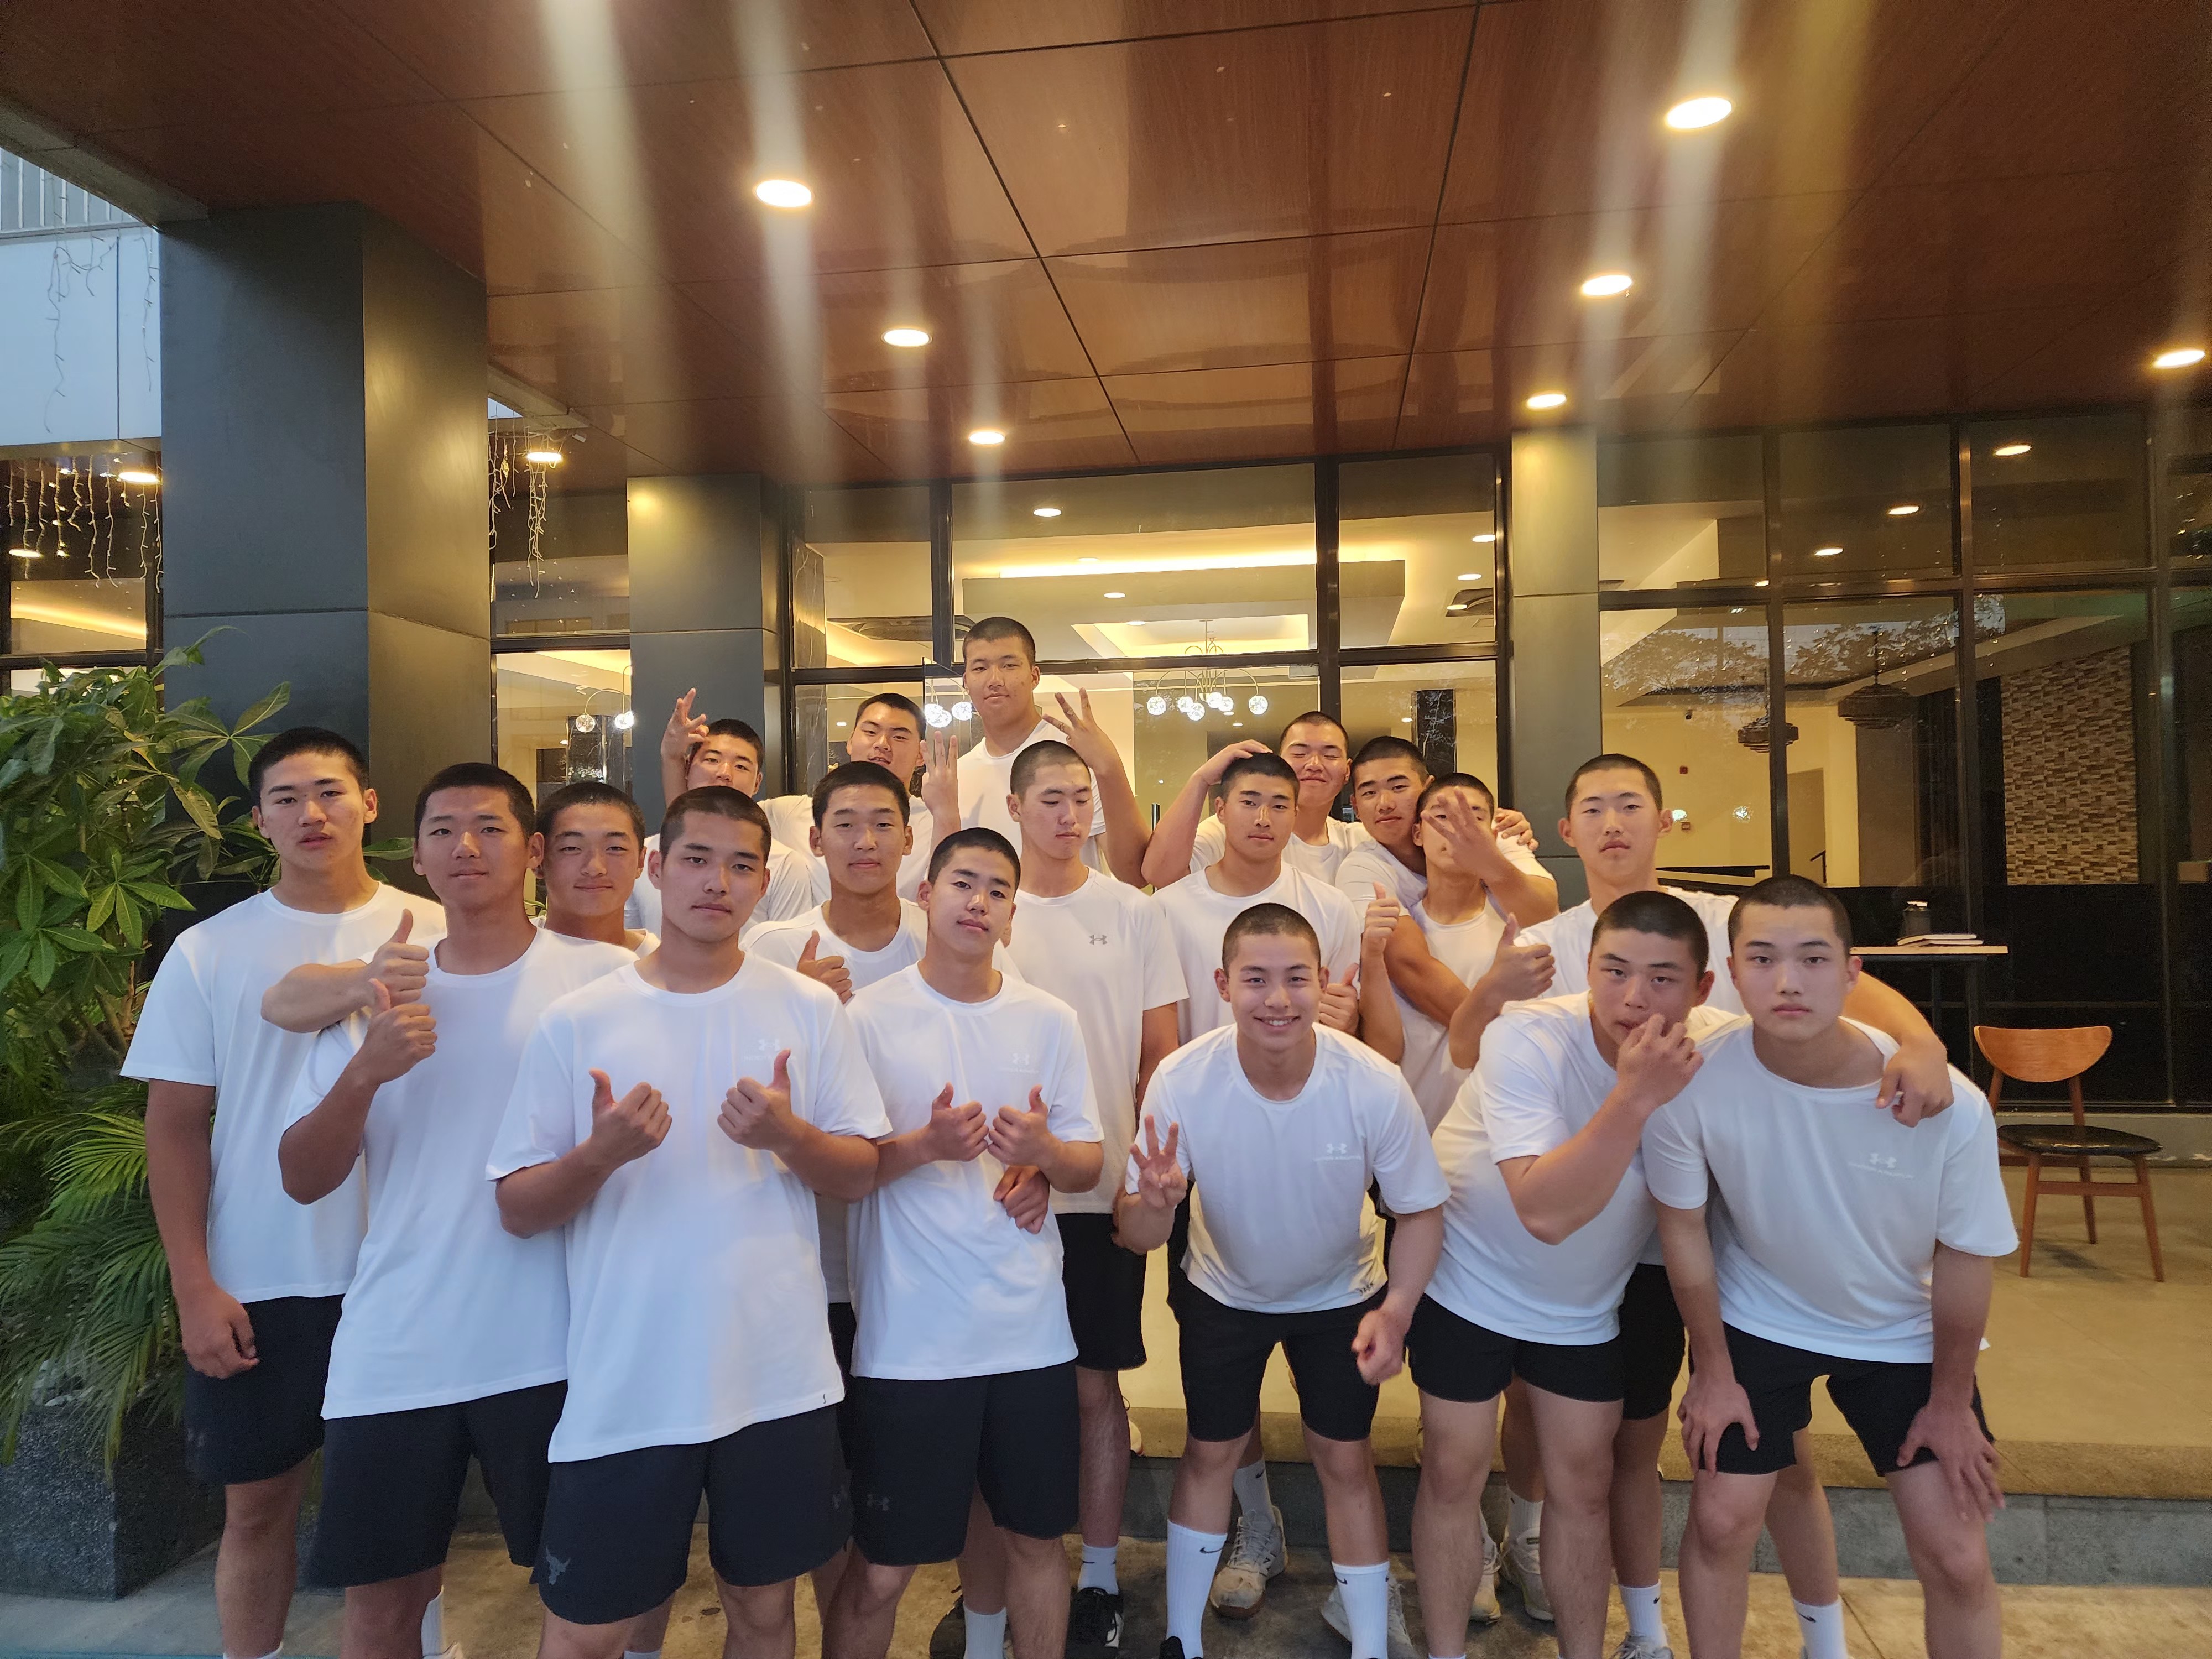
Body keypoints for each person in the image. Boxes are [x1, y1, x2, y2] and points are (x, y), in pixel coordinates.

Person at [1443, 754, 1955, 1652]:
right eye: (1593, 809)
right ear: (1566, 832)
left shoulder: (1724, 922)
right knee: (1606, 1442)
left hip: (1712, 1229)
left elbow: (1848, 992)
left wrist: (1920, 1041)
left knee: (1775, 1450)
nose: (1613, 824)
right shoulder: (1546, 942)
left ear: (1662, 819)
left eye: (1629, 805)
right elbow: (1471, 1049)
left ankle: (1822, 1636)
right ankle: (1616, 1609)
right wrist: (1491, 990)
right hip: (1599, 1235)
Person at [488, 786, 889, 1659]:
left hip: (776, 1374)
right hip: (628, 1378)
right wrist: (599, 1155)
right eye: (698, 860)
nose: (719, 882)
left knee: (763, 1611)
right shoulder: (579, 1020)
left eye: (742, 865)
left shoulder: (808, 1009)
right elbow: (516, 1208)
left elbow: (860, 1175)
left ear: (764, 882)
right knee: (588, 1628)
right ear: (658, 869)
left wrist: (788, 1136)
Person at [275, 764, 632, 1659]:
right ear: (419, 857)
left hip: (560, 1342)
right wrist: (366, 1071)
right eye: (442, 831)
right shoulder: (375, 992)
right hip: (399, 1343)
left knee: (586, 1610)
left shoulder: (606, 981)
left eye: (490, 828)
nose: (466, 847)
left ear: (534, 851)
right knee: (380, 1612)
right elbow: (303, 1177)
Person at [127, 728, 448, 1659]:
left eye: (331, 792)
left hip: (412, 1272)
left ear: (370, 805)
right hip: (264, 1274)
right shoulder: (208, 950)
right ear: (259, 820)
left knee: (411, 1513)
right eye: (286, 798)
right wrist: (195, 1284)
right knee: (258, 1507)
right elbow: (174, 1126)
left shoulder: (439, 929)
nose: (312, 813)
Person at [1645, 876, 2015, 1659]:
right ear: (1731, 975)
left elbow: (1966, 1256)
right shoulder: (1694, 1083)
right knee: (1720, 1522)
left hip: (1901, 1332)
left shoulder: (1946, 1103)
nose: (1787, 981)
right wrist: (1712, 1372)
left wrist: (1951, 1401)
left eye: (1813, 959)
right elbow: (1683, 1230)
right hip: (1759, 1319)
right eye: (1762, 959)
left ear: (1852, 974)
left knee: (1956, 1554)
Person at [1408, 892, 1744, 1659]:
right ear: (1586, 969)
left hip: (1583, 1306)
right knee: (1453, 1471)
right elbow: (1545, 1211)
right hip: (1466, 1281)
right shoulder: (1528, 1035)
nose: (1634, 998)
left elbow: (1828, 1024)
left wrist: (1920, 1050)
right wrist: (1634, 1094)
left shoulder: (1718, 1049)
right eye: (1614, 971)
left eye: (1662, 979)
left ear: (1702, 988)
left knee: (1586, 1486)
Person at [1116, 905, 1448, 1659]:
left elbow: (1421, 1211)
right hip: (1223, 1292)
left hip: (1341, 1296)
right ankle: (1180, 1641)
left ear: (1323, 981)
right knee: (1209, 1452)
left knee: (1345, 1458)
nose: (1277, 999)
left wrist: (1396, 1311)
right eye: (1255, 979)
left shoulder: (1370, 1081)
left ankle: (1369, 1643)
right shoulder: (1183, 1078)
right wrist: (1155, 1203)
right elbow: (1138, 1235)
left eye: (1297, 979)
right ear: (1222, 984)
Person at [828, 827, 1104, 1659]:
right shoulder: (866, 1019)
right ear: (926, 894)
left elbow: (1089, 1161)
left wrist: (1044, 1155)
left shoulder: (1049, 1020)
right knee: (883, 1569)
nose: (979, 902)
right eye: (962, 883)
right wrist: (925, 1145)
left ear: (1013, 915)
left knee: (1036, 1544)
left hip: (1029, 1334)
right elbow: (838, 1175)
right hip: (910, 1343)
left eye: (997, 890)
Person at [1146, 749, 1396, 1623]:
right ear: (1221, 808)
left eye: (1279, 803)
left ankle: (1365, 1600)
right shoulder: (1172, 907)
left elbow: (1352, 1024)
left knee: (1340, 1430)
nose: (1263, 816)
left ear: (1300, 812)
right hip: (1204, 1149)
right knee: (1224, 1388)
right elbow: (1164, 1034)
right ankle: (1256, 1526)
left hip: (1314, 1148)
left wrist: (1338, 1020)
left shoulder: (1328, 906)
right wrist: (1162, 1162)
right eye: (1247, 800)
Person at [998, 741, 1186, 1659]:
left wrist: (1139, 1177)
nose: (1070, 815)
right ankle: (1000, 1584)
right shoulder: (986, 906)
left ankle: (1101, 1577)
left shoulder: (1133, 911)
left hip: (1100, 1189)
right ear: (1014, 806)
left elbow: (1161, 1056)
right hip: (999, 1197)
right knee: (1003, 1394)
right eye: (1051, 799)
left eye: (1082, 798)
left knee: (1092, 1388)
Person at [918, 617, 1149, 886]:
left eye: (1009, 665)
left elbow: (1135, 874)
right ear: (966, 681)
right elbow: (944, 886)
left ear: (1034, 676)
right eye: (980, 668)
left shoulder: (1074, 757)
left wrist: (1109, 768)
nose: (995, 680)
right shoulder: (957, 777)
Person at [666, 690, 938, 902]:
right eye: (870, 732)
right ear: (850, 742)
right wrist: (672, 757)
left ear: (920, 755)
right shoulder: (790, 813)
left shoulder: (935, 822)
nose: (882, 744)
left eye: (899, 737)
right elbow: (703, 825)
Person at [1334, 737, 1554, 925]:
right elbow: (1406, 957)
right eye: (1369, 793)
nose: (1385, 804)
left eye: (1399, 787)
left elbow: (1546, 911)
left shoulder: (1486, 831)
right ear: (1356, 807)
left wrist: (1488, 860)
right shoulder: (1362, 866)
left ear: (1428, 788)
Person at [629, 715, 815, 937]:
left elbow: (791, 948)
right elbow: (628, 942)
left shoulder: (785, 864)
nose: (725, 773)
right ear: (655, 868)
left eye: (741, 766)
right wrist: (671, 757)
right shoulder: (643, 855)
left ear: (757, 782)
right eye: (712, 760)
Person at [1140, 714, 1362, 886]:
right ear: (1280, 762)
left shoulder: (1357, 841)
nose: (1314, 765)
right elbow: (1159, 874)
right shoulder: (1235, 829)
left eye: (1330, 755)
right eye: (1299, 754)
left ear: (1347, 771)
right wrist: (1201, 780)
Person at [533, 780, 658, 953]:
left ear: (640, 861)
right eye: (571, 848)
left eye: (615, 848)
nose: (595, 868)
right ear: (538, 859)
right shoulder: (504, 956)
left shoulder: (667, 965)